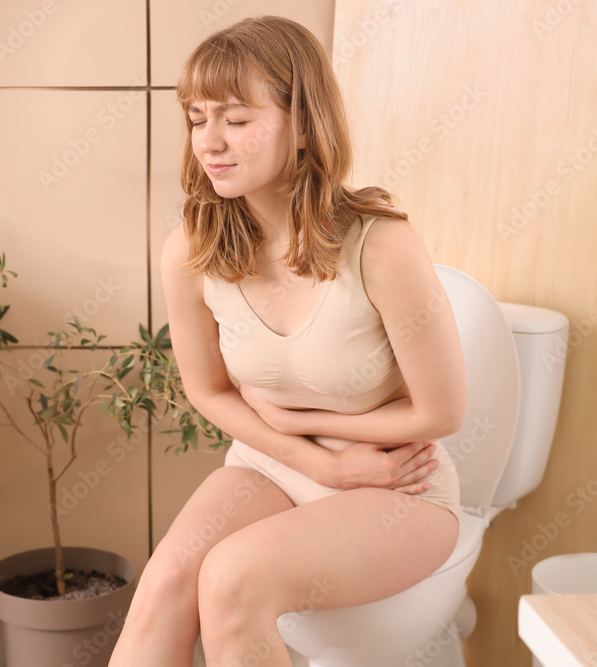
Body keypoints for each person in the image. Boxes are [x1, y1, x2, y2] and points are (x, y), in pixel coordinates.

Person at [109, 15, 465, 667]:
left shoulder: (380, 248)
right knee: (163, 583)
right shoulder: (193, 250)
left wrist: (314, 423)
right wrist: (318, 461)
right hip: (272, 463)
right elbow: (207, 388)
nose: (208, 142)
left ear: (302, 124)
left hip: (396, 487)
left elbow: (443, 412)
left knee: (231, 579)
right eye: (196, 118)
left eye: (236, 120)